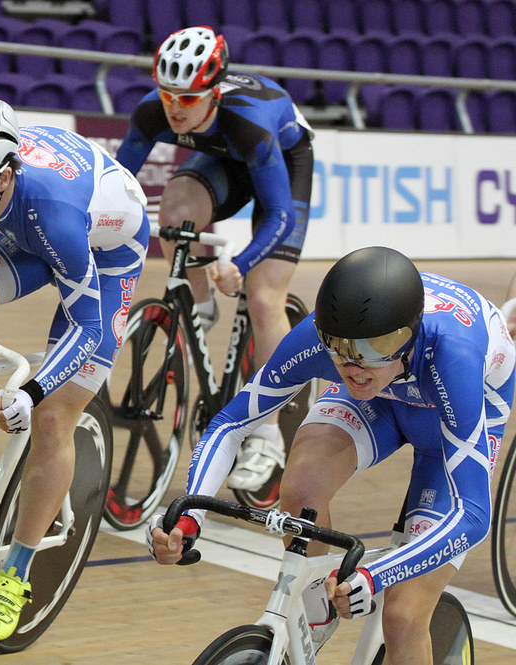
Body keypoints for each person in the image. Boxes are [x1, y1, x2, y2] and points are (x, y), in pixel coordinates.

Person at [148, 246, 515, 664]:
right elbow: (231, 424)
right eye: (339, 348)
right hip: (382, 397)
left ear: (409, 336)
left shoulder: (454, 356)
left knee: (403, 615)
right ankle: (314, 617)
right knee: (303, 484)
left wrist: (377, 575)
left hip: (449, 417)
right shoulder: (329, 343)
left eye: (375, 348)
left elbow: (472, 516)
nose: (355, 365)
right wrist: (189, 516)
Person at [0, 96, 150, 642]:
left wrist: (37, 387)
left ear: (1, 178)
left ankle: (17, 573)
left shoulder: (53, 209)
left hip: (103, 248)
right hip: (16, 225)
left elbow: (89, 327)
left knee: (52, 418)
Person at [116, 26, 314, 493]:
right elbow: (115, 183)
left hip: (281, 165)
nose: (174, 108)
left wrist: (240, 265)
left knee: (264, 299)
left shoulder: (251, 124)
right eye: (169, 96)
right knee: (177, 207)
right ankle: (199, 306)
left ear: (214, 93)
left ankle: (267, 434)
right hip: (222, 160)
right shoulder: (152, 111)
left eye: (188, 99)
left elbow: (280, 216)